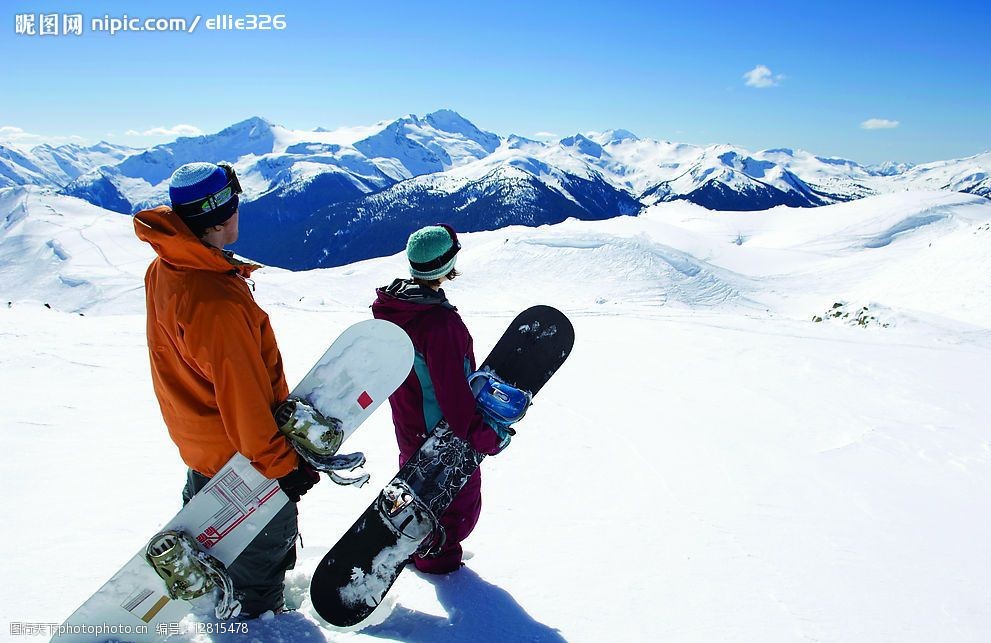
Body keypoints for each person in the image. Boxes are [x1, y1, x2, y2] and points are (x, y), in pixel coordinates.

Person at [133, 161, 319, 616]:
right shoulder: (215, 300)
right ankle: (253, 624)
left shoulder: (167, 267)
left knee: (216, 547)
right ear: (222, 215)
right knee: (258, 572)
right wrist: (281, 468)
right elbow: (244, 397)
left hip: (201, 449)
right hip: (244, 464)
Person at [371, 224, 506, 574]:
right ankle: (437, 559)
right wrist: (482, 435)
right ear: (446, 265)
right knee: (453, 499)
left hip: (409, 424)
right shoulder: (439, 324)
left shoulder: (395, 308)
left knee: (418, 492)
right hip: (440, 432)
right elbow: (451, 390)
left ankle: (420, 548)